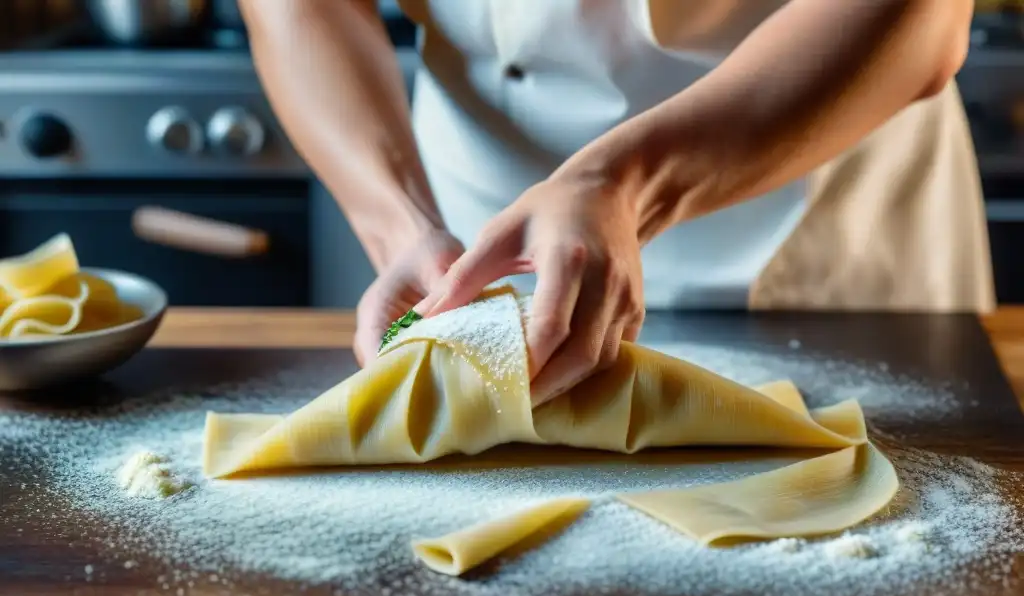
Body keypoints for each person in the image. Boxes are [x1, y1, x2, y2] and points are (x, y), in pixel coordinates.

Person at [239, 0, 991, 405]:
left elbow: (920, 15)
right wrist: (401, 221)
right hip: (479, 231)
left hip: (818, 218)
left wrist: (624, 185)